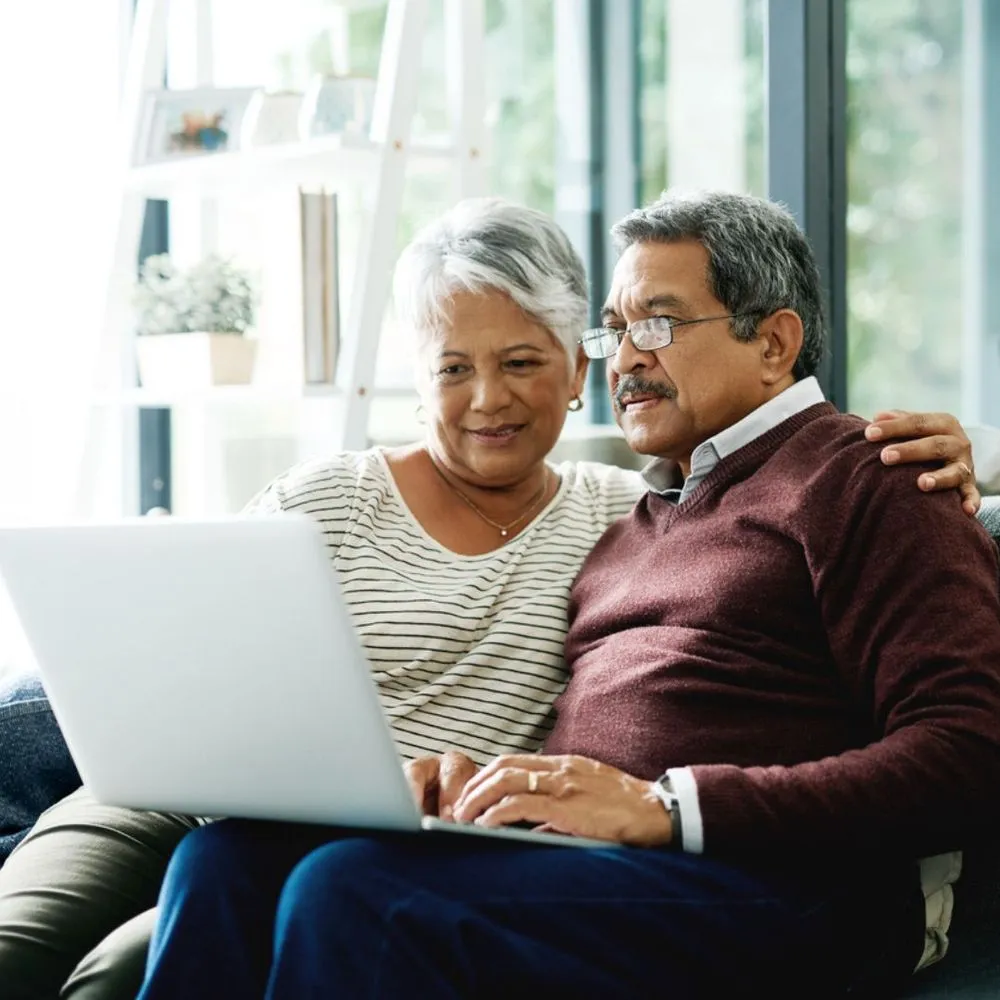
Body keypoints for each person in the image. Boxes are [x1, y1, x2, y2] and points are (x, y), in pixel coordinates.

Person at [0, 197, 985, 1000]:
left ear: (774, 342)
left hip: (788, 886)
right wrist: (480, 794)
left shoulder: (873, 476)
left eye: (653, 325)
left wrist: (665, 807)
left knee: (361, 893)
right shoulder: (638, 515)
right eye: (613, 332)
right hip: (596, 866)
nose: (626, 359)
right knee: (229, 864)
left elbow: (971, 750)